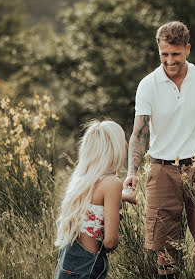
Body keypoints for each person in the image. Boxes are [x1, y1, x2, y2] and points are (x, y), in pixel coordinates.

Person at [124, 21, 195, 279]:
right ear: (159, 50)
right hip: (162, 171)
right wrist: (132, 172)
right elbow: (140, 132)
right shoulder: (147, 85)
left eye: (176, 54)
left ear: (187, 50)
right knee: (165, 246)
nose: (169, 61)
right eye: (164, 54)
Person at [54, 120, 137, 279]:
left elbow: (95, 202)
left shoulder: (82, 181)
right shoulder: (113, 183)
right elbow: (110, 243)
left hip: (67, 267)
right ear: (115, 148)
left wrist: (124, 196)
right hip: (88, 269)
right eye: (123, 140)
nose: (126, 144)